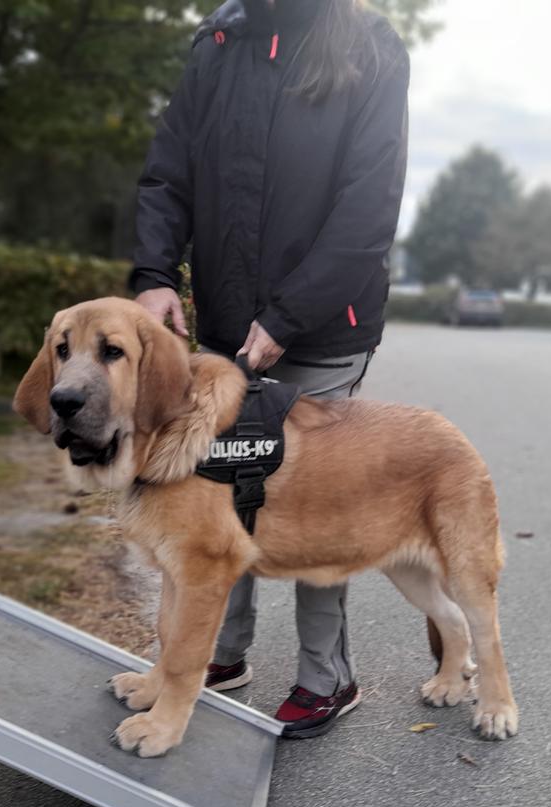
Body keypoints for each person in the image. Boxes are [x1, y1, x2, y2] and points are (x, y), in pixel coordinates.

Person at [130, 0, 409, 738]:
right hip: (223, 323)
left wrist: (285, 318)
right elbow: (169, 173)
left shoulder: (370, 45)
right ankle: (218, 654)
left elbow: (369, 208)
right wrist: (155, 273)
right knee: (218, 487)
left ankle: (327, 676)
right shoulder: (219, 41)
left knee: (314, 498)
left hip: (322, 328)